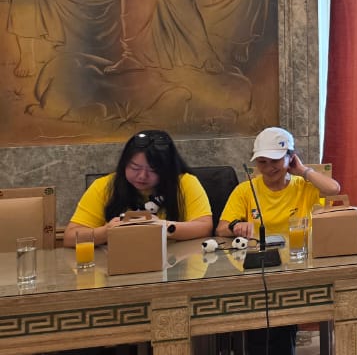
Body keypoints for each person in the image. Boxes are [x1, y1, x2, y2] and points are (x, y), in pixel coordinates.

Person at [217, 126, 341, 355]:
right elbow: (221, 228)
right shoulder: (246, 190)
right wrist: (236, 226)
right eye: (262, 162)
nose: (268, 168)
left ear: (290, 158)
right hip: (259, 271)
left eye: (275, 160)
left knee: (279, 321)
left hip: (297, 269)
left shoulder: (304, 186)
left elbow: (333, 189)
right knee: (264, 321)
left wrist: (302, 170)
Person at [66, 130, 212, 246]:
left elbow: (205, 227)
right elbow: (70, 237)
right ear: (124, 164)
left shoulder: (184, 183)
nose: (142, 176)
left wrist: (162, 227)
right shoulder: (103, 186)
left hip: (174, 264)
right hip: (116, 264)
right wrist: (106, 232)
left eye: (153, 170)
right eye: (135, 168)